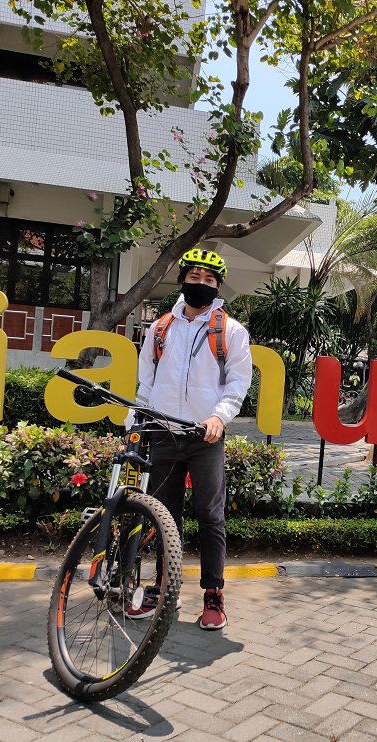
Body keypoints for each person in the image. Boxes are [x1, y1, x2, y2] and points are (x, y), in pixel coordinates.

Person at [128, 248, 252, 630]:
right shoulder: (161, 328)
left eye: (209, 280)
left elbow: (238, 381)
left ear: (218, 287)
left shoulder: (231, 330)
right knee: (165, 517)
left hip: (204, 436)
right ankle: (165, 585)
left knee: (211, 517)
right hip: (163, 433)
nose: (201, 285)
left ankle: (213, 593)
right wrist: (135, 421)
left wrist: (219, 416)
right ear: (182, 280)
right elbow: (146, 382)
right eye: (194, 278)